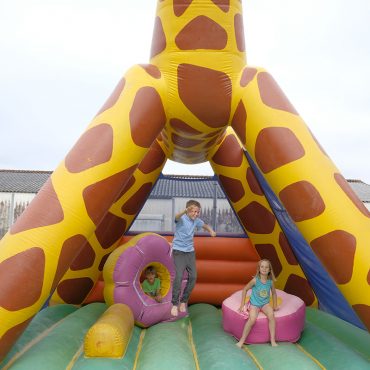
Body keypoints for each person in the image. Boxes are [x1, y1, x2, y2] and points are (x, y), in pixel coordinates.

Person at [170, 200, 216, 316]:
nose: (196, 214)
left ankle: (183, 301)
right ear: (188, 211)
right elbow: (176, 217)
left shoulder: (196, 221)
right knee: (179, 276)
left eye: (198, 212)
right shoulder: (182, 219)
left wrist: (210, 230)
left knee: (194, 277)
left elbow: (204, 225)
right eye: (194, 211)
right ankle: (174, 304)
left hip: (190, 252)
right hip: (178, 251)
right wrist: (184, 211)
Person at [236, 259, 278, 347]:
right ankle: (242, 340)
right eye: (262, 266)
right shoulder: (255, 280)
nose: (264, 268)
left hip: (265, 304)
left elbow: (274, 293)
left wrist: (275, 305)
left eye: (267, 267)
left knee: (271, 315)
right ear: (258, 269)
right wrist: (242, 304)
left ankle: (272, 340)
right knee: (252, 319)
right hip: (254, 304)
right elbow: (245, 289)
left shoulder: (270, 282)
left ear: (270, 270)